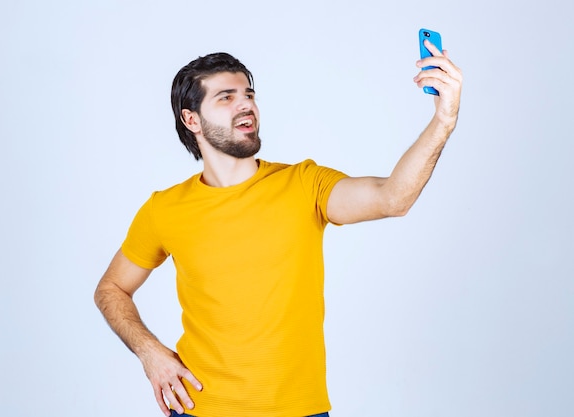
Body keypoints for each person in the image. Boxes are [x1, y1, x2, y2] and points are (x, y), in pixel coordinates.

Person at [94, 42, 462, 417]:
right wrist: (150, 352)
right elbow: (111, 289)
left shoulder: (304, 184)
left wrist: (442, 121)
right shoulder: (164, 208)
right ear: (192, 120)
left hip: (299, 410)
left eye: (248, 95)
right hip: (199, 409)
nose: (246, 105)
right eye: (226, 97)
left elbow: (392, 197)